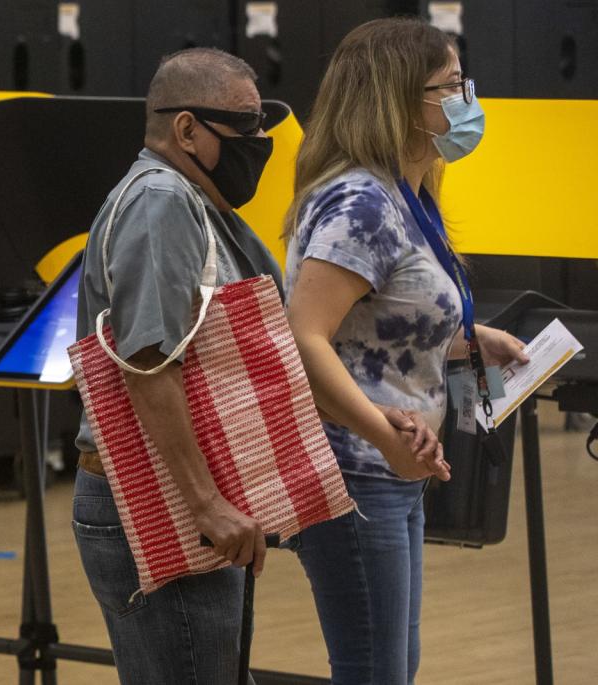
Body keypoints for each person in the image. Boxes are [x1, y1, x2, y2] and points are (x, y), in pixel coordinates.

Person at [72, 46, 446, 685]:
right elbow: (145, 360)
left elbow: (262, 358)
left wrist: (371, 416)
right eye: (244, 125)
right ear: (186, 128)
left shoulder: (200, 206)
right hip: (159, 500)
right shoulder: (161, 203)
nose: (262, 140)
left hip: (185, 499)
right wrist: (204, 504)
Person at [282, 18, 529, 685]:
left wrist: (474, 339)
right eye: (451, 87)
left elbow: (378, 328)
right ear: (399, 99)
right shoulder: (361, 201)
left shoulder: (407, 194)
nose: (466, 101)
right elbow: (305, 336)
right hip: (358, 467)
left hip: (394, 468)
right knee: (374, 671)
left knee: (394, 667)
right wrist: (381, 435)